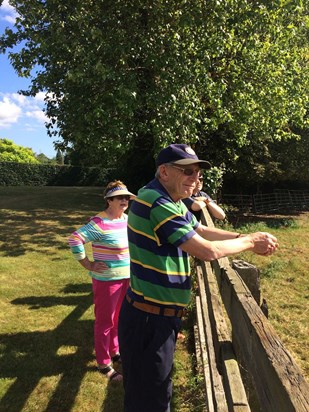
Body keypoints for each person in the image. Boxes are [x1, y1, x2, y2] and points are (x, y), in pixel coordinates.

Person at [118, 143, 278, 411]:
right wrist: (251, 241)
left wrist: (241, 237)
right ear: (164, 172)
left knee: (154, 393)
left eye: (197, 173)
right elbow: (207, 250)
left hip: (156, 316)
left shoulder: (170, 200)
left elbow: (200, 229)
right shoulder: (158, 203)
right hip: (150, 320)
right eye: (188, 171)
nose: (195, 179)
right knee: (150, 401)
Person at [68, 180, 135, 382]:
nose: (124, 200)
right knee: (105, 322)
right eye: (120, 197)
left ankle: (115, 351)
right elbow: (74, 239)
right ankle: (103, 363)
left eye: (127, 197)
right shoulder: (99, 223)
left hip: (126, 278)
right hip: (107, 281)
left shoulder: (125, 218)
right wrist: (88, 264)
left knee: (119, 318)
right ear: (109, 200)